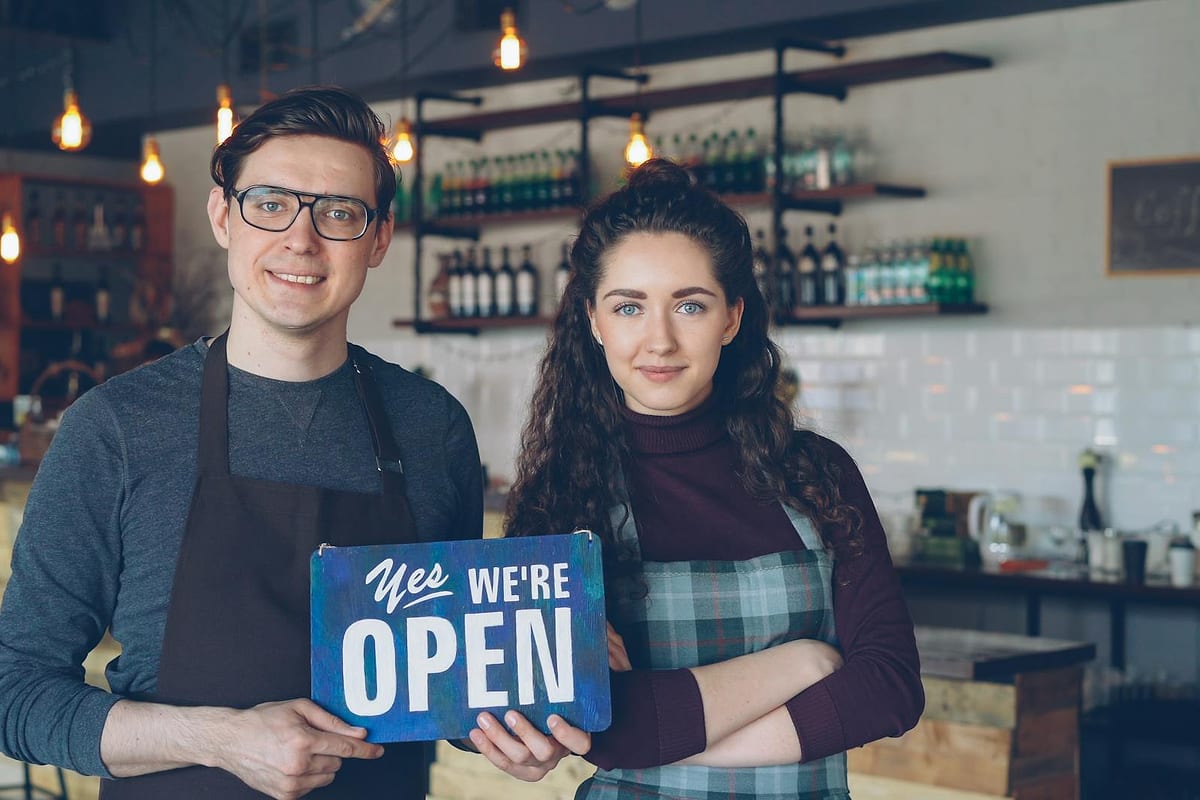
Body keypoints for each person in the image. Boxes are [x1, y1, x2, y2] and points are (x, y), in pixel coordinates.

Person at [0, 86, 483, 799]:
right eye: (270, 203)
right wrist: (217, 738)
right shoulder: (116, 428)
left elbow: (455, 680)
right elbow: (15, 692)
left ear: (379, 239)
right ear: (224, 216)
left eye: (340, 212)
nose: (301, 239)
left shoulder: (432, 427)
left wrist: (539, 691)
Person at [467, 159, 923, 798]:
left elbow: (890, 688)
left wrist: (673, 738)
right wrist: (803, 662)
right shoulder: (566, 501)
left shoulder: (817, 475)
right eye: (629, 308)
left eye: (689, 305)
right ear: (594, 322)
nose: (660, 340)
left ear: (732, 319)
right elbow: (578, 722)